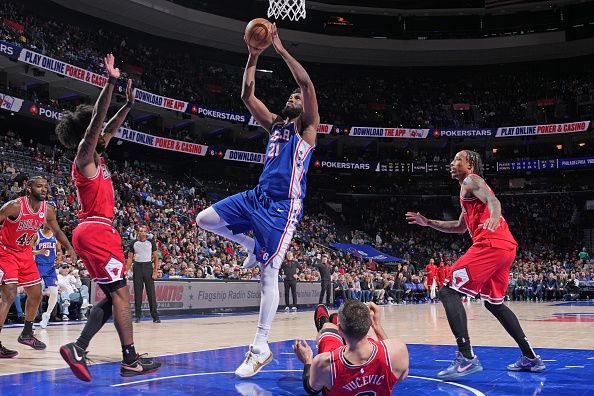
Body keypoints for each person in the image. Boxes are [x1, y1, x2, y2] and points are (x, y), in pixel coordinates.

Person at [195, 24, 319, 378]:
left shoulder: (307, 129)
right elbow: (247, 97)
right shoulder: (276, 125)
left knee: (269, 275)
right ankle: (250, 242)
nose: (294, 97)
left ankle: (260, 346)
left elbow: (307, 84)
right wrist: (252, 55)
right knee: (204, 218)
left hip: (283, 208)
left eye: (297, 97)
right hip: (256, 197)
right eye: (291, 96)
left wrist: (278, 48)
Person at [55, 53, 160, 381]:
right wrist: (111, 81)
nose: (104, 133)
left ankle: (79, 347)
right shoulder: (84, 155)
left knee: (114, 294)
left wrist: (127, 106)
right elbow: (99, 122)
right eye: (97, 130)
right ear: (88, 132)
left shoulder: (97, 153)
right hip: (95, 231)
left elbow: (108, 125)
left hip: (96, 232)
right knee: (121, 294)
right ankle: (130, 360)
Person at [406, 150, 545, 380]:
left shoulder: (472, 180)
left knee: (447, 290)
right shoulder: (465, 192)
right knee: (495, 304)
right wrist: (428, 222)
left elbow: (493, 200)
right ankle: (530, 357)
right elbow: (459, 227)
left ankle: (466, 357)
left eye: (457, 160)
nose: (452, 163)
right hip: (506, 247)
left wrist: (494, 215)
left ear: (470, 165)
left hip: (491, 243)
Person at [0, 176, 76, 357]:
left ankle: (27, 333)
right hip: (6, 251)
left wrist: (69, 248)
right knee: (9, 294)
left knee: (35, 293)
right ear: (28, 188)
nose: (44, 189)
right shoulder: (14, 206)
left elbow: (57, 231)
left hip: (25, 253)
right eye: (39, 186)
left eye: (46, 186)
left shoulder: (48, 210)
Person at [292, 300, 408, 395]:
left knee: (327, 330)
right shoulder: (398, 349)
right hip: (367, 348)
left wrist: (307, 360)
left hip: (338, 364)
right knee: (365, 341)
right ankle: (334, 327)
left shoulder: (325, 363)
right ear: (369, 325)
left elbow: (311, 389)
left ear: (340, 329)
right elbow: (398, 378)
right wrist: (377, 326)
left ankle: (326, 327)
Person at [30, 221, 62, 328]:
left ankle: (47, 315)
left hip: (50, 269)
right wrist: (39, 252)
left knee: (54, 293)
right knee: (35, 295)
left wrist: (58, 257)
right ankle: (31, 319)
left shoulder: (55, 236)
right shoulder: (36, 234)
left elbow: (59, 250)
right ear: (43, 222)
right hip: (38, 267)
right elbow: (27, 251)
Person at [126, 225, 160, 323]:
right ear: (138, 232)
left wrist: (155, 271)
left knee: (151, 293)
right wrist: (125, 270)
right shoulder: (133, 243)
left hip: (148, 267)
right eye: (140, 231)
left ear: (146, 233)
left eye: (144, 231)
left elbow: (156, 257)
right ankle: (137, 316)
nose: (142, 233)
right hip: (137, 267)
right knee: (138, 293)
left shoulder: (151, 242)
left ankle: (155, 316)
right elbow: (130, 258)